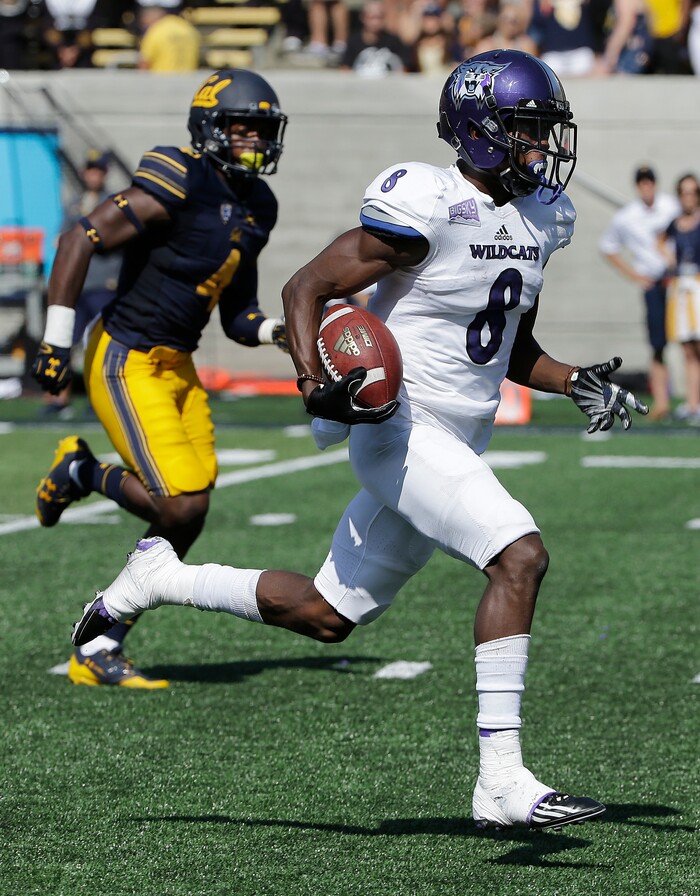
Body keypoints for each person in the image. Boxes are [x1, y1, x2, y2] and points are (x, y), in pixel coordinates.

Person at [74, 50, 647, 829]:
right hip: (400, 430)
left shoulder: (542, 216)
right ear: (478, 132)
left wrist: (576, 379)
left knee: (324, 614)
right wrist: (318, 385)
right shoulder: (430, 204)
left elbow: (506, 345)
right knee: (520, 554)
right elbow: (306, 287)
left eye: (545, 133)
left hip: (455, 441)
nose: (542, 150)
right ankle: (502, 781)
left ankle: (154, 577)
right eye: (525, 132)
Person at [32, 69, 290, 688]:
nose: (254, 140)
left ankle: (100, 645)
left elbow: (237, 316)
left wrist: (283, 332)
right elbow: (79, 238)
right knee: (179, 503)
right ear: (210, 128)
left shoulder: (259, 206)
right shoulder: (178, 175)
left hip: (177, 363)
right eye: (242, 127)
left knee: (189, 512)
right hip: (123, 355)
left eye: (263, 129)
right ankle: (84, 472)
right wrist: (55, 343)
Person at [43, 149, 122, 419]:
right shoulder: (75, 205)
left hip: (104, 284)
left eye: (98, 170)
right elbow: (61, 239)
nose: (93, 175)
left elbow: (114, 239)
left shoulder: (112, 203)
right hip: (77, 284)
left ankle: (96, 400)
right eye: (90, 169)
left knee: (97, 344)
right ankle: (57, 399)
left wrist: (86, 240)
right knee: (63, 340)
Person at [599, 165, 680, 420]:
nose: (647, 187)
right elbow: (608, 247)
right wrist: (634, 276)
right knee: (658, 345)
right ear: (638, 186)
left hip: (678, 282)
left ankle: (693, 403)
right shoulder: (627, 216)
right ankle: (663, 402)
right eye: (642, 183)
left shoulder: (671, 206)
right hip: (654, 283)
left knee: (691, 344)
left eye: (650, 182)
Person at [658, 173, 700, 423]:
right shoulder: (675, 223)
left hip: (697, 286)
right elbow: (660, 240)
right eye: (684, 192)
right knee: (687, 348)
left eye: (693, 192)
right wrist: (669, 258)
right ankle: (692, 402)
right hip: (681, 287)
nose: (689, 198)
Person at [339, 0, 412, 75]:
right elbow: (345, 69)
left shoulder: (393, 41)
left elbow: (404, 69)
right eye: (371, 17)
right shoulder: (353, 42)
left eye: (379, 17)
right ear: (363, 17)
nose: (375, 22)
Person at [136, 1, 201, 72]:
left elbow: (144, 63)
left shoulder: (155, 31)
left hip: (161, 80)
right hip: (189, 80)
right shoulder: (189, 29)